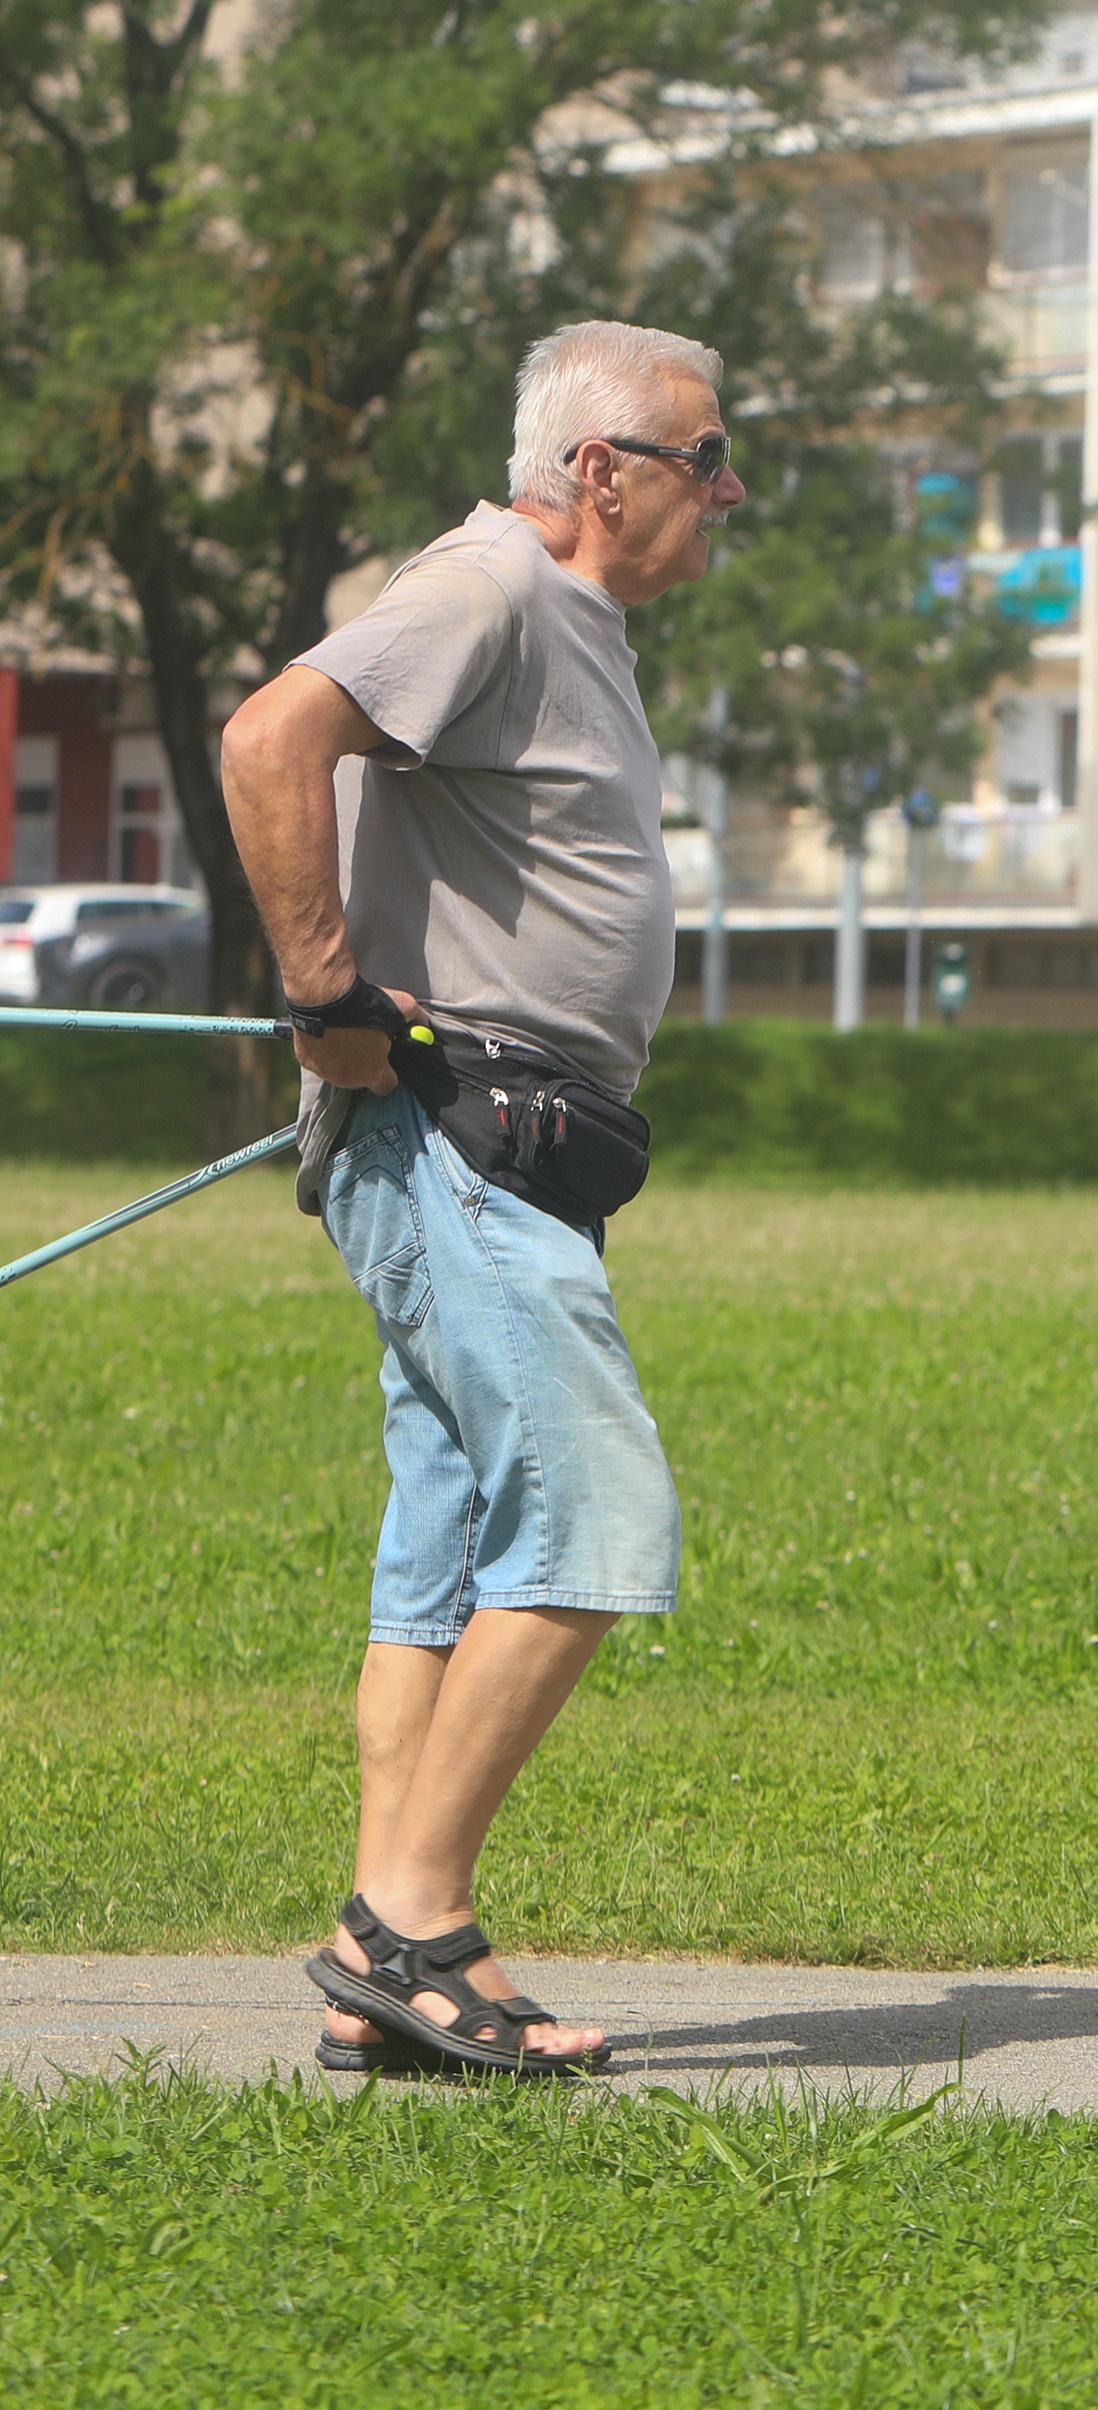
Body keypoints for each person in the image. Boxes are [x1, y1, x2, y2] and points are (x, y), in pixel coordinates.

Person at [217, 321, 745, 2078]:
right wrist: (322, 995)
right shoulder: (494, 587)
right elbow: (269, 738)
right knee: (595, 1519)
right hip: (460, 1139)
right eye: (707, 454)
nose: (727, 491)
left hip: (501, 1148)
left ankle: (399, 1946)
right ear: (604, 471)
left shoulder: (559, 618)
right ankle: (409, 1922)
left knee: (443, 1550)